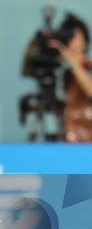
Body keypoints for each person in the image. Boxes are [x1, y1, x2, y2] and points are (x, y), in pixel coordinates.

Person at [49, 13, 92, 142]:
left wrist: (74, 63)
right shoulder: (62, 71)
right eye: (67, 36)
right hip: (66, 137)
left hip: (87, 140)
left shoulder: (89, 66)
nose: (70, 41)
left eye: (74, 36)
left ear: (85, 41)